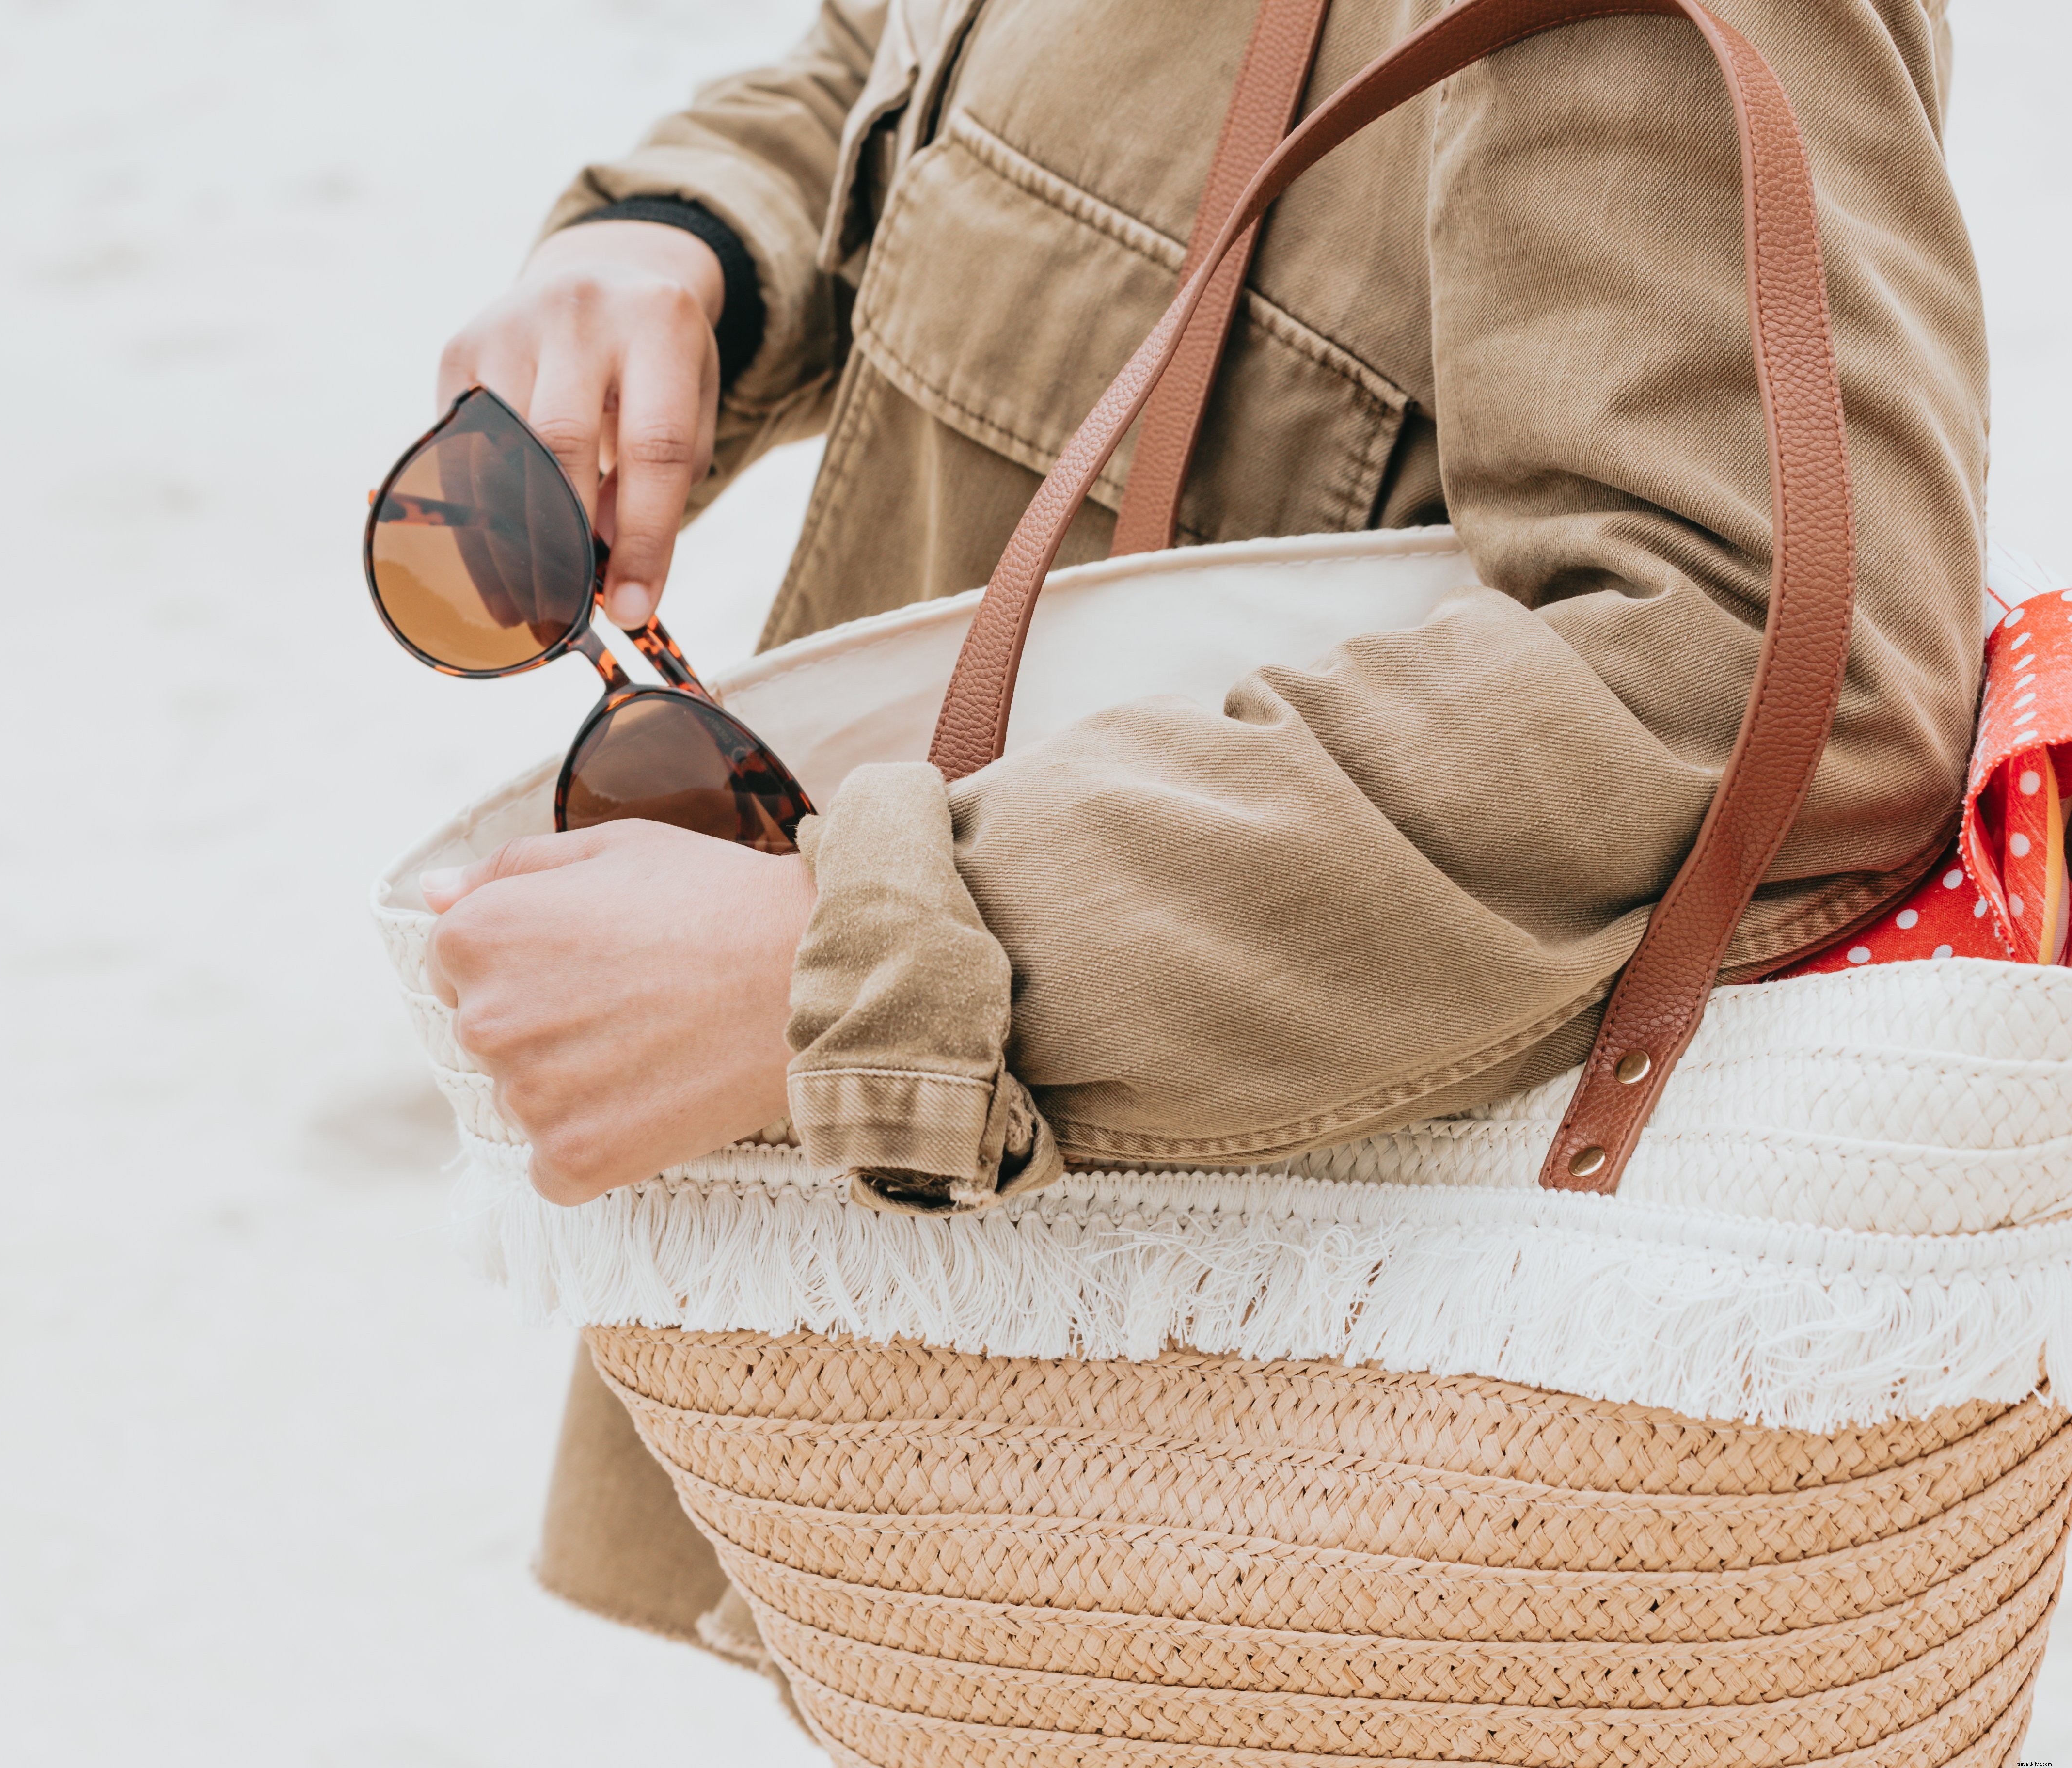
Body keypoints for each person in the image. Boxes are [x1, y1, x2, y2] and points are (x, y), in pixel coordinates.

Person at [417, 0, 1984, 1706]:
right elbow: (892, 60)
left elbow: (1765, 666)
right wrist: (689, 238)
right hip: (994, 1335)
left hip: (1338, 1448)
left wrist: (850, 956)